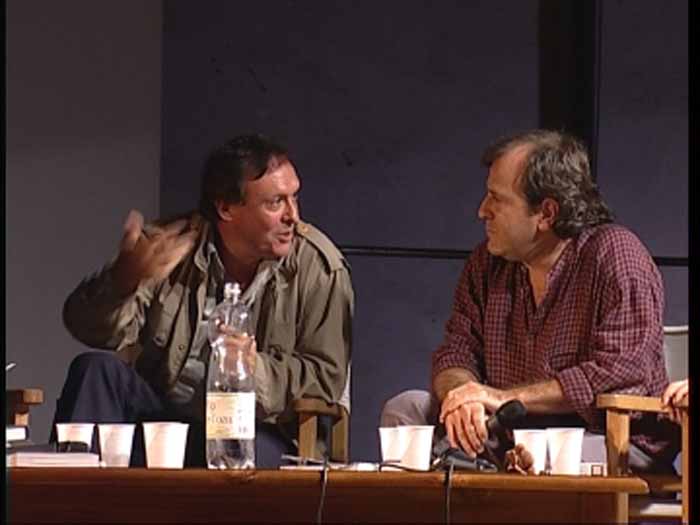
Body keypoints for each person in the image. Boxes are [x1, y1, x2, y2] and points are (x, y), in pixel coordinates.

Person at [381, 129, 679, 472]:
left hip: (603, 439)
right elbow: (456, 351)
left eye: (497, 198)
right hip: (506, 432)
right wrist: (462, 396)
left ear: (546, 213)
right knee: (405, 411)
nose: (482, 211)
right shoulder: (486, 264)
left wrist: (498, 397)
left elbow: (621, 372)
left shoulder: (616, 256)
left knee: (548, 454)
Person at [54, 134, 354, 467]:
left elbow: (325, 379)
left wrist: (253, 370)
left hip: (258, 430)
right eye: (275, 203)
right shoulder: (169, 246)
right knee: (94, 369)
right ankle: (68, 492)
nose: (292, 216)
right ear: (225, 207)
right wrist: (123, 280)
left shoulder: (319, 267)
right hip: (166, 421)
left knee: (244, 459)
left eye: (294, 198)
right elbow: (86, 328)